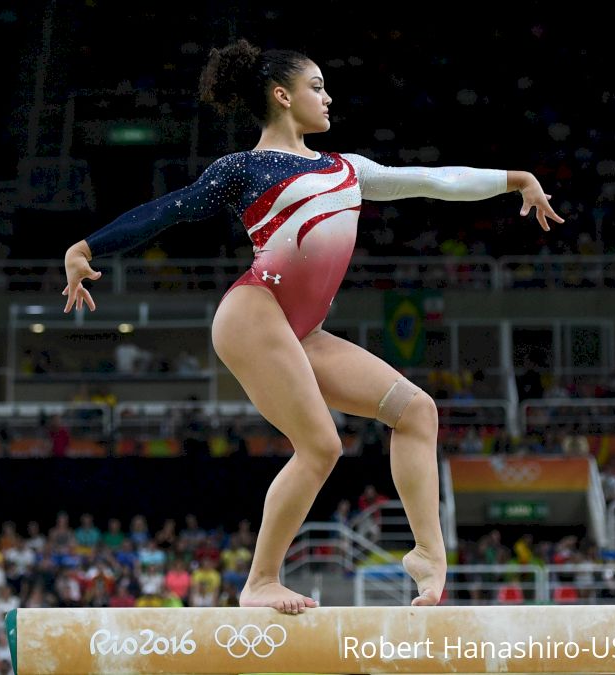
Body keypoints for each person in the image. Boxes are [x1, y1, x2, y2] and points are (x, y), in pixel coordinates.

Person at [61, 39, 563, 614]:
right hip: (254, 314)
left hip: (303, 330)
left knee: (417, 412)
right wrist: (87, 246)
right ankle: (261, 581)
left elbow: (434, 179)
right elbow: (169, 209)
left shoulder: (348, 170)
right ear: (282, 95)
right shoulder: (244, 169)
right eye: (317, 87)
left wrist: (513, 178)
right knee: (321, 446)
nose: (328, 96)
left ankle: (426, 552)